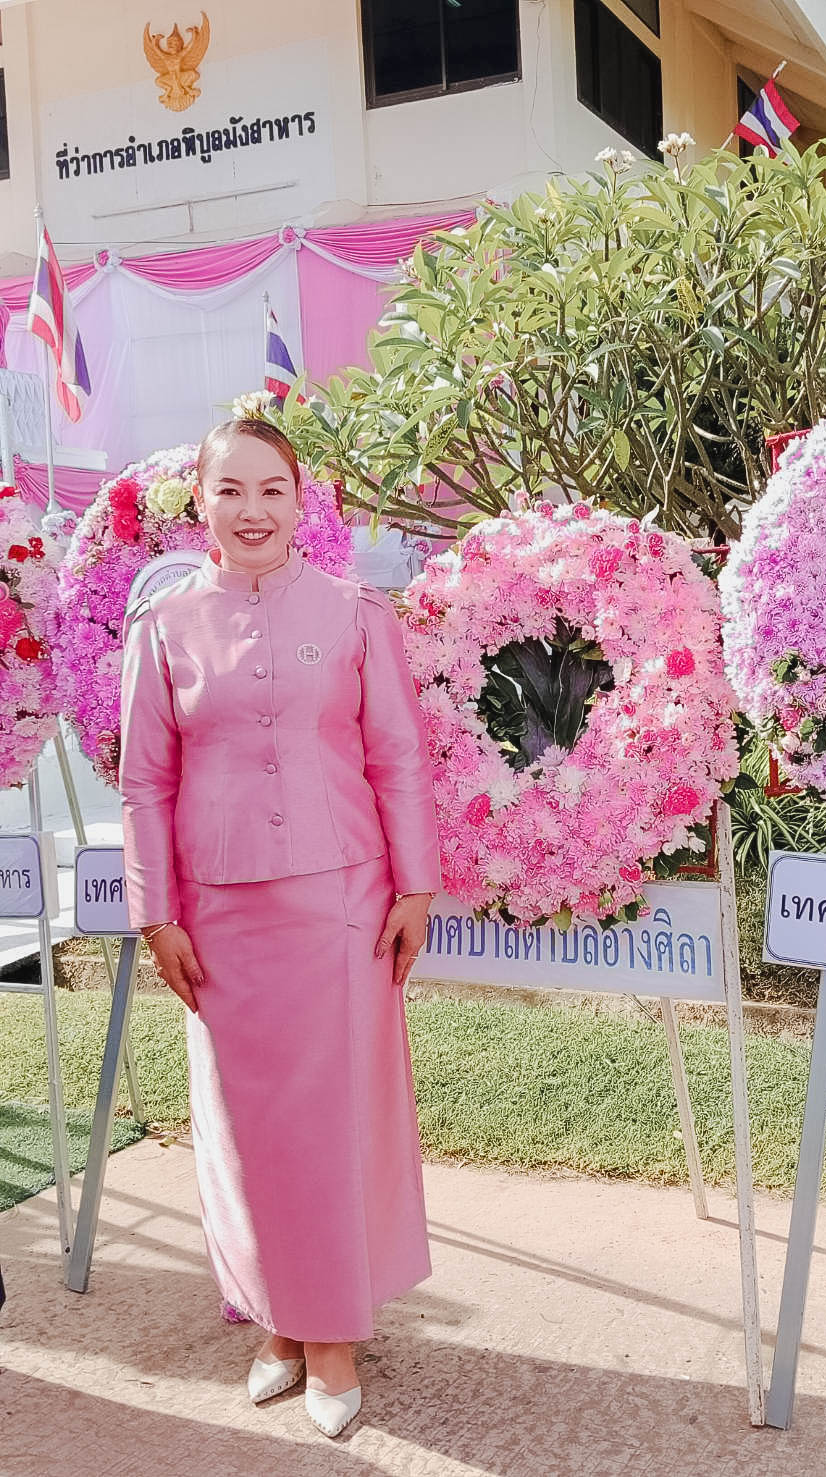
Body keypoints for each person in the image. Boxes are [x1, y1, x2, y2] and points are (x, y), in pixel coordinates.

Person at [119, 419, 441, 1438]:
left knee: (335, 1121)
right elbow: (144, 781)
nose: (252, 510)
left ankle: (331, 1331)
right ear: (199, 503)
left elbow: (397, 755)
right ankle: (278, 1318)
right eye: (230, 490)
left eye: (272, 489)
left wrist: (416, 886)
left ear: (304, 501)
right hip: (218, 917)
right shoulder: (163, 629)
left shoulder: (354, 615)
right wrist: (155, 912)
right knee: (247, 1129)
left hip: (342, 905)